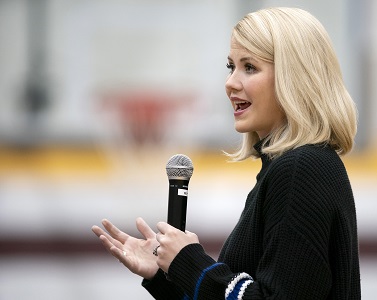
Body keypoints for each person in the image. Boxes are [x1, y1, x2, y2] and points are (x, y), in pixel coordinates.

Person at [92, 7, 361, 300]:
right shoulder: (290, 168)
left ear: (294, 77)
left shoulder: (303, 168)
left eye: (250, 67)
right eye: (231, 66)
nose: (231, 82)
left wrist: (190, 263)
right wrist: (165, 277)